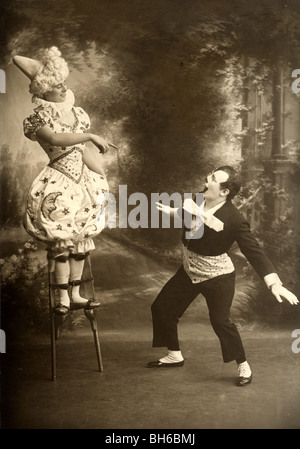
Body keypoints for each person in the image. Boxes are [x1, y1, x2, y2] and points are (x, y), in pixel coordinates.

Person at [148, 165, 299, 386]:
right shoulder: (198, 198)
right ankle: (174, 354)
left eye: (213, 178)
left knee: (221, 321)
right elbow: (189, 213)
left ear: (224, 191)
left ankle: (243, 365)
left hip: (218, 276)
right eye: (210, 175)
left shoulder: (235, 219)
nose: (207, 179)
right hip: (190, 270)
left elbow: (254, 251)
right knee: (161, 307)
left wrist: (274, 282)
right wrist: (171, 212)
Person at [13, 46, 116, 315]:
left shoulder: (79, 114)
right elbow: (58, 140)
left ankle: (76, 294)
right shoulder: (37, 120)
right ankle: (62, 300)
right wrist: (91, 136)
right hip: (58, 183)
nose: (63, 88)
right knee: (62, 242)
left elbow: (84, 154)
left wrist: (102, 178)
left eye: (63, 83)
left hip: (83, 183)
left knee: (81, 243)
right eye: (56, 85)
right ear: (42, 90)